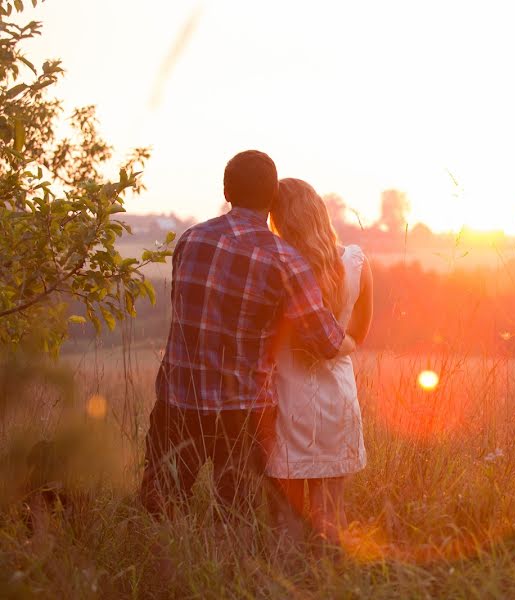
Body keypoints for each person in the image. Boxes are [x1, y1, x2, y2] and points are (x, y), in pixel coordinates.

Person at [139, 151, 356, 517]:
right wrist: (354, 340)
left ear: (226, 190)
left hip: (177, 401)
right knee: (238, 519)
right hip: (242, 413)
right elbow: (327, 342)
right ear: (272, 197)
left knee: (160, 508)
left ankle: (160, 569)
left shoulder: (191, 240)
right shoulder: (285, 259)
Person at [265, 178, 374, 546]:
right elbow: (359, 334)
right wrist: (339, 348)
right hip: (338, 397)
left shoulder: (277, 268)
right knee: (331, 511)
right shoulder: (355, 262)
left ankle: (287, 583)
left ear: (278, 218)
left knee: (287, 516)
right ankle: (332, 580)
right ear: (319, 212)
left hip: (288, 398)